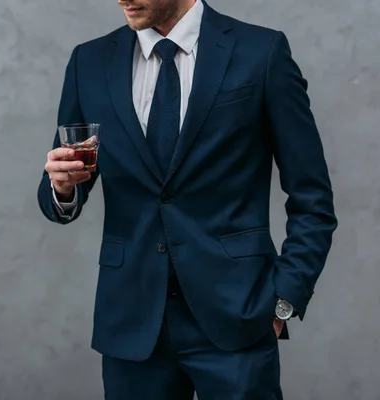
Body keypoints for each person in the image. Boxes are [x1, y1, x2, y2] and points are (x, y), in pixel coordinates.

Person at [37, 0, 337, 398]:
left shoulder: (260, 53)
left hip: (237, 318)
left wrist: (283, 301)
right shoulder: (88, 62)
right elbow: (62, 188)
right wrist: (62, 187)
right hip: (132, 322)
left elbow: (312, 197)